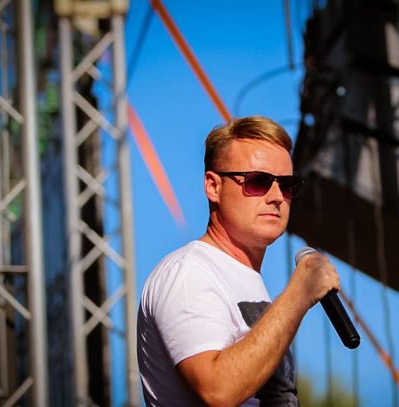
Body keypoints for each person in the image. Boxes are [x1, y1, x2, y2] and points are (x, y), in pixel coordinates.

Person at [137, 115, 340, 406]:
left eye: (286, 185)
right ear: (213, 187)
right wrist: (299, 293)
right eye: (258, 182)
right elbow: (217, 390)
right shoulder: (188, 271)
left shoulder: (243, 280)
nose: (276, 197)